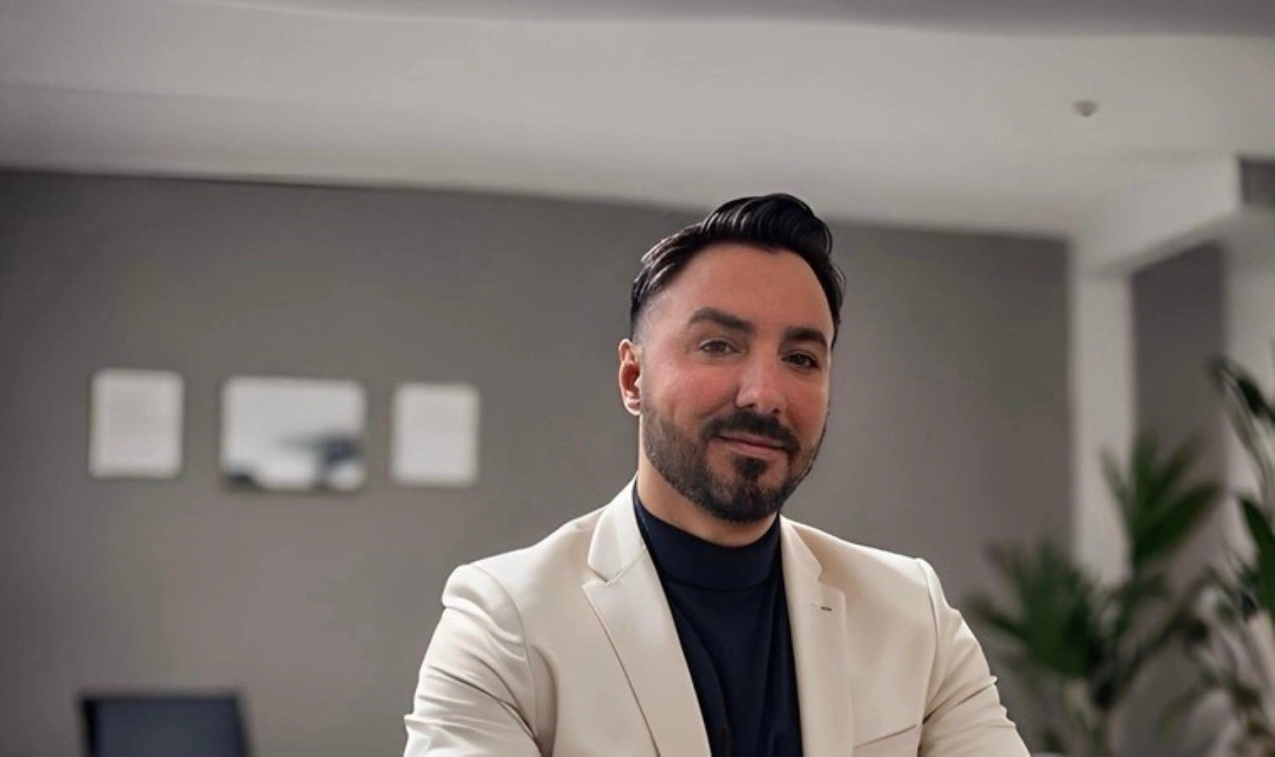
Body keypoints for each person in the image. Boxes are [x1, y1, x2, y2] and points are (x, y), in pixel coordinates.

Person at [402, 194, 1029, 756]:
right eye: (718, 346)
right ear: (633, 378)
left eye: (801, 358)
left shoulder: (912, 615)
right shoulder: (504, 623)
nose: (765, 395)